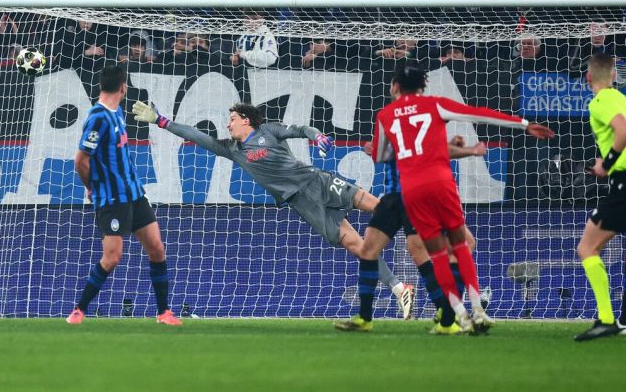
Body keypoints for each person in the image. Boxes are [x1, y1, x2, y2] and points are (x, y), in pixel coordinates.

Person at [131, 101, 416, 327]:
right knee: (358, 247)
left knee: (378, 206)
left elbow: (301, 129)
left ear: (246, 120)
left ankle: (419, 223)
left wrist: (317, 136)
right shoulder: (233, 150)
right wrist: (161, 121)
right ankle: (400, 288)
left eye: (232, 119)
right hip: (303, 203)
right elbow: (197, 136)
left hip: (316, 181)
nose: (227, 124)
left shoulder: (269, 131)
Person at [371, 65, 554, 332]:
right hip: (441, 183)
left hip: (412, 190)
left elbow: (379, 155)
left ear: (396, 86)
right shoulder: (434, 104)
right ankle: (478, 310)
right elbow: (478, 113)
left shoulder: (385, 115)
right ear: (422, 86)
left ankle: (459, 314)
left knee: (438, 255)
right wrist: (524, 124)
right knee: (460, 244)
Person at [66, 66, 182, 326]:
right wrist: (91, 187)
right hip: (111, 198)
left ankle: (164, 312)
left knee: (157, 249)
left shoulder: (117, 112)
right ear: (123, 87)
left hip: (134, 193)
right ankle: (79, 311)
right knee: (112, 258)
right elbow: (81, 160)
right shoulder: (97, 117)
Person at [335, 135, 485, 334]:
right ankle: (365, 317)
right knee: (373, 249)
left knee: (439, 247)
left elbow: (425, 149)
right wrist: (380, 152)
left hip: (420, 194)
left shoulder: (417, 122)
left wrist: (467, 150)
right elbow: (413, 149)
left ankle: (449, 313)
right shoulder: (393, 123)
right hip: (396, 197)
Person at [573, 52, 626, 341]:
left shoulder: (601, 101)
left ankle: (606, 320)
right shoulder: (621, 98)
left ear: (588, 77)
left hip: (623, 184)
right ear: (614, 75)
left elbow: (623, 131)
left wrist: (606, 165)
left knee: (587, 247)